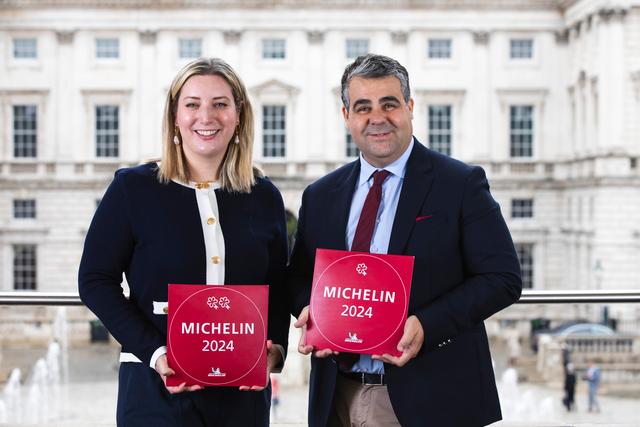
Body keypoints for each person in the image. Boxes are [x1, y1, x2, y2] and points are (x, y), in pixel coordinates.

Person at [287, 54, 522, 427]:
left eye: (389, 104)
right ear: (347, 116)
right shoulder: (321, 195)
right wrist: (313, 310)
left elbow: (503, 278)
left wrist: (427, 325)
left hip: (430, 397)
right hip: (336, 397)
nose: (377, 118)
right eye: (363, 107)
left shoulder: (460, 184)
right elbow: (298, 277)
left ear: (410, 107)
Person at [78, 58, 289, 426]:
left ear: (238, 115)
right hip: (154, 387)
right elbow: (95, 281)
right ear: (175, 116)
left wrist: (276, 348)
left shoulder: (264, 195)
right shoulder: (133, 189)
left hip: (243, 395)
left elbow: (277, 283)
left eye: (220, 104)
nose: (206, 116)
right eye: (192, 104)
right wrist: (155, 352)